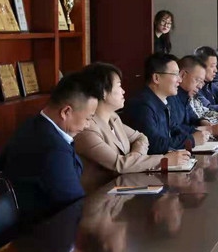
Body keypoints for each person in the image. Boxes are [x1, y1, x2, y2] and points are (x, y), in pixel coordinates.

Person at [0, 72, 101, 221]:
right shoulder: (54, 149)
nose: (88, 125)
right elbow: (75, 204)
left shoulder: (32, 123)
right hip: (43, 228)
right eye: (88, 118)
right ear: (66, 112)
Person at [75, 62, 190, 192]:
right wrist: (164, 160)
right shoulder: (87, 128)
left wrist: (135, 156)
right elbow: (119, 165)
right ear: (103, 92)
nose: (123, 91)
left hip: (124, 189)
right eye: (119, 86)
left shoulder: (113, 118)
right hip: (100, 195)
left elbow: (141, 137)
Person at [122, 53, 204, 154]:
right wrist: (191, 140)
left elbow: (174, 128)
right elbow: (153, 145)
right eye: (175, 74)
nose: (180, 80)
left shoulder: (161, 101)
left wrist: (198, 134)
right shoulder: (142, 105)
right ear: (156, 78)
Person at [168, 55, 218, 137]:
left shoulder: (186, 96)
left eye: (202, 82)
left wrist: (204, 122)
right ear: (182, 75)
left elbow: (193, 118)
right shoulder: (171, 97)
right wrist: (208, 129)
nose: (200, 86)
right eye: (197, 80)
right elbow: (175, 130)